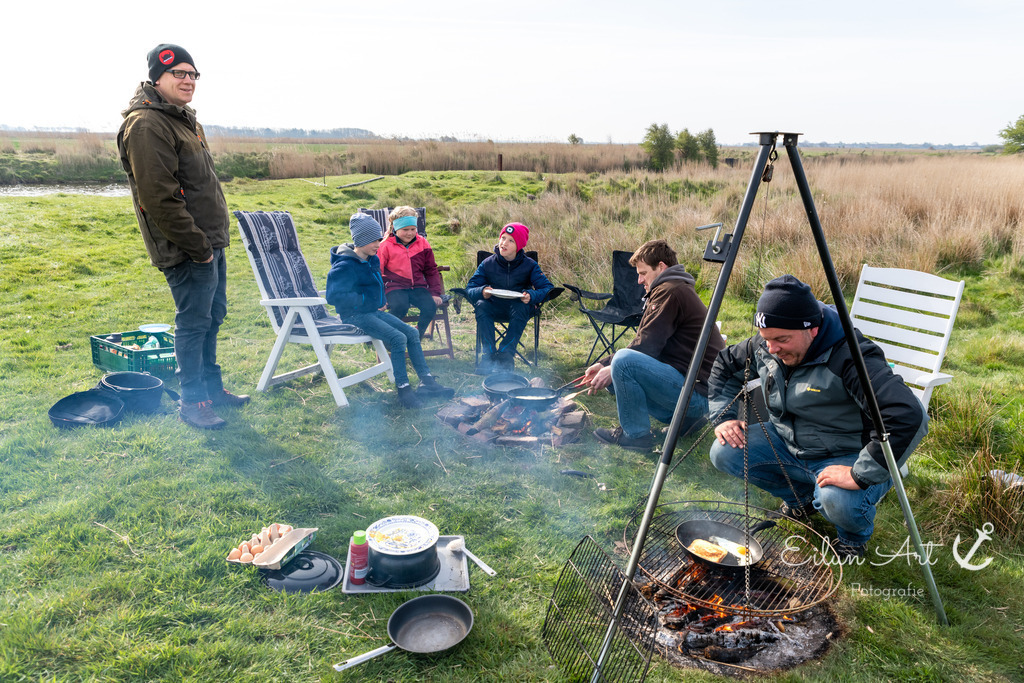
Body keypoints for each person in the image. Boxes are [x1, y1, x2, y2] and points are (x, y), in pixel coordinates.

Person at [707, 274, 929, 559]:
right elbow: (724, 364)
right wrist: (722, 417)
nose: (771, 349)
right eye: (766, 339)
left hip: (848, 452)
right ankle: (801, 501)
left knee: (838, 499)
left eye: (781, 340)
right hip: (788, 441)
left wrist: (860, 474)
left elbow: (909, 414)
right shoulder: (769, 343)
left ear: (811, 329)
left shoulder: (851, 357)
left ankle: (852, 538)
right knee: (725, 452)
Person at [117, 44, 248, 430]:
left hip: (209, 242)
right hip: (188, 248)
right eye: (180, 74)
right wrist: (199, 248)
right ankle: (193, 402)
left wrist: (212, 243)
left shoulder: (182, 118)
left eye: (193, 75)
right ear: (158, 77)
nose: (188, 80)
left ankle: (211, 388)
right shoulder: (146, 124)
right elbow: (159, 196)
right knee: (193, 324)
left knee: (213, 317)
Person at [580, 240, 725, 451]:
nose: (639, 280)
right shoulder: (673, 288)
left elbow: (648, 344)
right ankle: (686, 423)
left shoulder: (670, 291)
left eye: (643, 273)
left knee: (623, 363)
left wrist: (612, 366)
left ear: (661, 267)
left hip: (698, 395)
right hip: (697, 390)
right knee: (619, 366)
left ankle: (636, 436)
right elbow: (646, 341)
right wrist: (604, 365)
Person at [325, 213, 454, 409]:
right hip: (354, 316)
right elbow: (333, 296)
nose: (378, 244)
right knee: (397, 338)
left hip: (371, 312)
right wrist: (366, 301)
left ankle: (427, 382)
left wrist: (381, 299)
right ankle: (403, 390)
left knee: (410, 332)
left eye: (378, 239)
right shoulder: (345, 265)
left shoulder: (371, 259)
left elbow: (377, 284)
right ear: (360, 240)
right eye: (373, 240)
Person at [464, 222, 553, 373]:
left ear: (518, 246)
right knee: (481, 304)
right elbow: (469, 289)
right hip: (494, 307)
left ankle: (506, 354)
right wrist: (482, 291)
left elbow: (547, 289)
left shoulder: (529, 265)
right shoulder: (488, 263)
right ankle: (489, 354)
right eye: (503, 238)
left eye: (511, 240)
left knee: (522, 306)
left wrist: (531, 296)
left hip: (518, 308)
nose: (504, 243)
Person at [377, 207, 445, 339]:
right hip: (394, 286)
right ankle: (385, 334)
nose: (410, 233)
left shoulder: (423, 243)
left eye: (413, 229)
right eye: (405, 230)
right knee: (400, 307)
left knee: (430, 306)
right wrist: (379, 299)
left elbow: (431, 269)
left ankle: (415, 336)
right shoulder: (385, 245)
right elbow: (377, 272)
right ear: (396, 228)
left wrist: (435, 293)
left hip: (418, 287)